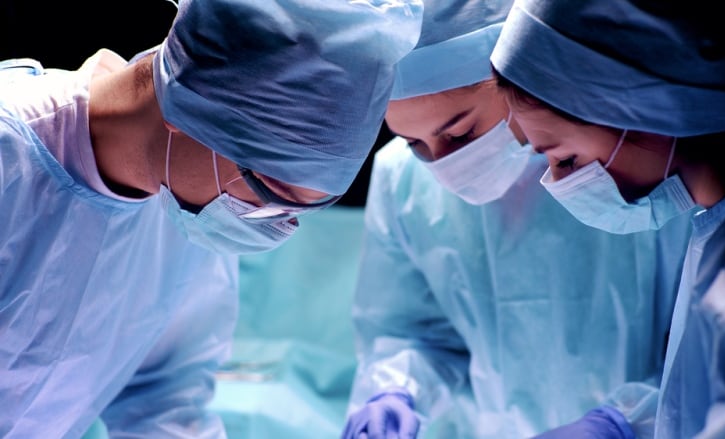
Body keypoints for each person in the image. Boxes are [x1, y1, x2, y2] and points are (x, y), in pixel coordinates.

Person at [0, 0, 423, 437]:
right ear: (193, 110)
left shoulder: (185, 203)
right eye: (273, 197)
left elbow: (164, 396)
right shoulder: (9, 161)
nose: (272, 225)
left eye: (300, 212)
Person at [339, 1, 693, 438]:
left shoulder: (629, 165)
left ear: (517, 79)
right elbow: (409, 330)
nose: (443, 164)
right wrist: (395, 392)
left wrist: (628, 421)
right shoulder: (403, 180)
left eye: (458, 132)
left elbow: (709, 348)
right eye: (415, 143)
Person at [491, 0, 725, 437]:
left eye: (566, 158)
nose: (562, 183)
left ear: (645, 115)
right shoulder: (723, 229)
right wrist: (625, 422)